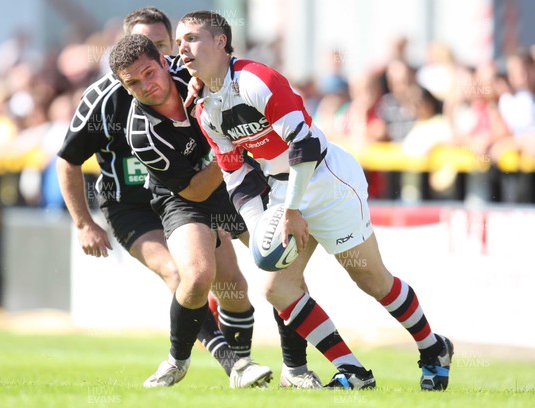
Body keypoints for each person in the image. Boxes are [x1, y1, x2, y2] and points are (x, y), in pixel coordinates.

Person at [175, 10, 454, 391]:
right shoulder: (206, 109)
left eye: (191, 38)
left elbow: (304, 144)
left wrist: (290, 211)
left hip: (326, 179)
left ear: (221, 41)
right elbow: (236, 176)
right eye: (178, 42)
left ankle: (432, 348)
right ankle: (353, 371)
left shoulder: (257, 79)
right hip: (282, 188)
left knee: (372, 280)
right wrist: (260, 228)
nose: (182, 48)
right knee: (275, 288)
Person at [56, 8, 268, 388]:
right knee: (181, 272)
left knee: (232, 283)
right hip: (131, 205)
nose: (152, 58)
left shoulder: (192, 76)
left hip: (191, 193)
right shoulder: (102, 100)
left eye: (159, 47)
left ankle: (248, 367)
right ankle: (227, 363)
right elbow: (67, 161)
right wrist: (84, 223)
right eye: (142, 45)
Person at [108, 33, 275, 389]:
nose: (145, 86)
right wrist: (230, 150)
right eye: (133, 83)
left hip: (235, 175)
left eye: (149, 73)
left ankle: (283, 367)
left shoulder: (196, 73)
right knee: (198, 277)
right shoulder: (141, 134)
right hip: (185, 195)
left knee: (263, 273)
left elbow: (239, 74)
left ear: (164, 62)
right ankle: (178, 359)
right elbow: (195, 190)